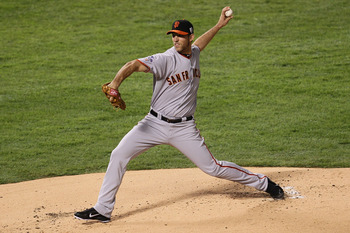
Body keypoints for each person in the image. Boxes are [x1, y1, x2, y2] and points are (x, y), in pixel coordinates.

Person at [74, 7, 284, 223]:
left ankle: (264, 183)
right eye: (173, 35)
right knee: (119, 155)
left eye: (180, 36)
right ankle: (102, 209)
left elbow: (201, 43)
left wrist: (219, 25)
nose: (175, 39)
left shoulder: (194, 53)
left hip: (184, 129)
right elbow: (133, 65)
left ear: (189, 37)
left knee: (213, 168)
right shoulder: (166, 59)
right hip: (153, 124)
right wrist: (115, 85)